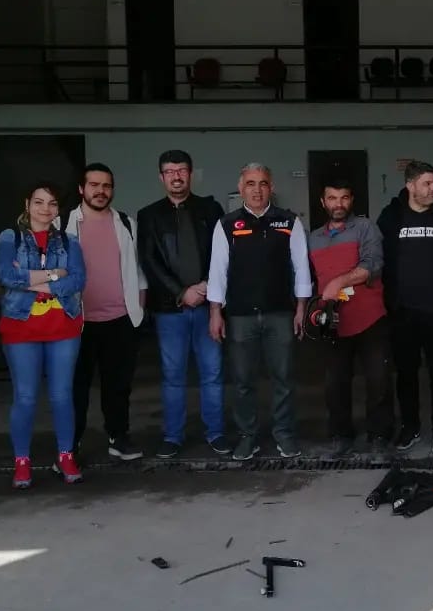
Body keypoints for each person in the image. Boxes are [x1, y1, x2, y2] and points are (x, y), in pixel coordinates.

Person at [207, 163, 312, 461]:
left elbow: (301, 266)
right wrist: (215, 312)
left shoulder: (288, 222)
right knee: (242, 381)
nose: (257, 189)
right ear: (241, 188)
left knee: (284, 378)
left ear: (271, 187)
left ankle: (284, 433)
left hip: (280, 314)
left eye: (263, 183)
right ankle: (247, 436)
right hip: (240, 317)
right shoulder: (227, 224)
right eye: (250, 184)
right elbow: (217, 271)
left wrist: (301, 308)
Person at [137, 150, 226, 459]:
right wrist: (181, 292)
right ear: (161, 177)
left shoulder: (210, 209)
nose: (176, 176)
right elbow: (149, 260)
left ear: (191, 174)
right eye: (170, 171)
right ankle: (173, 436)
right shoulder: (149, 215)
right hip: (169, 309)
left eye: (182, 170)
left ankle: (216, 433)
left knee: (212, 372)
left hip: (207, 306)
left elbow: (222, 253)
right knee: (173, 375)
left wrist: (206, 286)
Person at [0, 182, 87, 489]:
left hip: (63, 326)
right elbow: (5, 275)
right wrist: (54, 275)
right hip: (21, 327)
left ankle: (66, 456)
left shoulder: (69, 241)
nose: (45, 209)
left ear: (58, 209)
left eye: (51, 203)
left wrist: (29, 281)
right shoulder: (9, 237)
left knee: (62, 395)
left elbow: (78, 279)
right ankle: (22, 461)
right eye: (39, 202)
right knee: (25, 397)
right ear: (27, 204)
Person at [377, 161, 433, 455]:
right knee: (406, 374)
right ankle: (410, 427)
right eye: (427, 183)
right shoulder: (391, 217)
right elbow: (379, 260)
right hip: (403, 312)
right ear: (410, 185)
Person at [66, 162, 148, 462]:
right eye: (94, 185)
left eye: (106, 186)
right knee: (76, 387)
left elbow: (138, 270)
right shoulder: (63, 224)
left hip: (120, 320)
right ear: (81, 189)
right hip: (78, 322)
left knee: (118, 387)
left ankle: (118, 437)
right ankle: (70, 445)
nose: (100, 191)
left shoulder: (126, 223)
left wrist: (138, 308)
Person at [308, 179, 393, 456]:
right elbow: (310, 279)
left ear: (351, 200)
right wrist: (310, 310)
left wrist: (338, 283)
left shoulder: (366, 228)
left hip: (370, 317)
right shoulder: (314, 238)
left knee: (378, 380)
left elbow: (373, 264)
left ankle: (379, 436)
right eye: (332, 198)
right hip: (333, 322)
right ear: (323, 202)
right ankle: (341, 435)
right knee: (335, 384)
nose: (339, 204)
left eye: (344, 198)